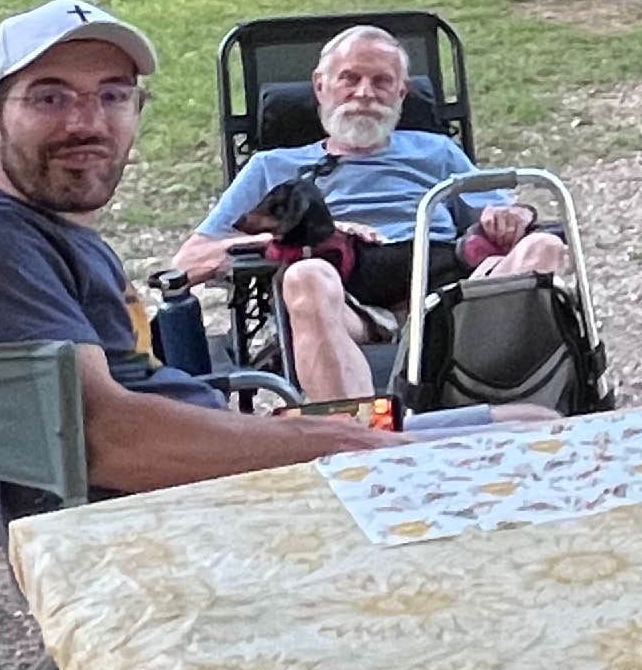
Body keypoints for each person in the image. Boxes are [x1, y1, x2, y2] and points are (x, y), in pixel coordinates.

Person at [0, 0, 398, 500]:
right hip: (150, 529)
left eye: (113, 96)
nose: (86, 123)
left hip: (198, 489)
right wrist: (336, 441)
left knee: (461, 434)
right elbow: (108, 442)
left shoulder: (53, 235)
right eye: (49, 98)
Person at [168, 22, 571, 405]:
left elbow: (500, 215)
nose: (364, 93)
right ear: (320, 86)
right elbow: (187, 264)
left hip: (448, 300)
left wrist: (512, 218)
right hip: (349, 305)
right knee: (307, 274)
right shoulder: (273, 167)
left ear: (401, 93)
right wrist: (290, 236)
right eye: (349, 78)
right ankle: (360, 439)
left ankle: (488, 408)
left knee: (543, 248)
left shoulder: (437, 152)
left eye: (382, 82)